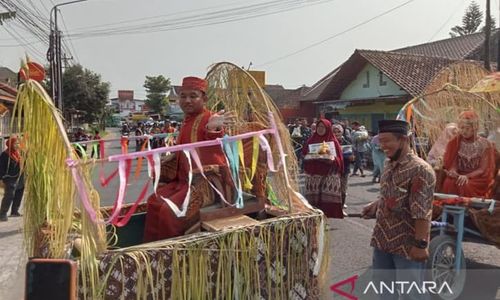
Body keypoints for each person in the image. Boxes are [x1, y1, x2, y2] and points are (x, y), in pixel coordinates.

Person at [143, 76, 235, 242]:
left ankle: (173, 254)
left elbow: (214, 138)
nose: (187, 100)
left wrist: (213, 129)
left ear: (204, 98)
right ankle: (152, 249)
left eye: (193, 96)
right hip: (182, 181)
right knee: (153, 201)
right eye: (183, 96)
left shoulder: (210, 118)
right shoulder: (187, 120)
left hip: (205, 181)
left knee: (168, 211)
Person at [362, 120, 436, 300]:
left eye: (387, 141)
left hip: (407, 245)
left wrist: (420, 246)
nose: (382, 146)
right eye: (380, 141)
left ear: (403, 139)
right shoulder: (388, 164)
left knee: (412, 294)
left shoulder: (420, 169)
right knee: (384, 292)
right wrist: (376, 204)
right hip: (382, 240)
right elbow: (389, 193)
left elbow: (422, 212)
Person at [441, 111, 496, 198]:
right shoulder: (455, 142)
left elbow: (482, 169)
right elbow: (454, 163)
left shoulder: (485, 144)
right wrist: (453, 171)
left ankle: (467, 209)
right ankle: (450, 207)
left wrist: (467, 176)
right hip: (459, 175)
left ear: (475, 128)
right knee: (449, 182)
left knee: (464, 185)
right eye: (461, 128)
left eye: (467, 128)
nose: (463, 131)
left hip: (477, 178)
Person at [302, 119, 344, 218]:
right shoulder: (311, 140)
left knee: (327, 201)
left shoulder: (333, 142)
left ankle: (327, 217)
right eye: (319, 127)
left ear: (328, 128)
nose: (320, 129)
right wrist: (310, 156)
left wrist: (331, 157)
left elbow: (339, 160)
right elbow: (303, 154)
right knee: (314, 203)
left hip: (329, 175)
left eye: (323, 127)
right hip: (313, 175)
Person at [0, 136, 25, 221]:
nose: (17, 145)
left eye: (18, 143)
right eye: (15, 143)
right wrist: (2, 177)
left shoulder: (19, 153)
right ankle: (3, 214)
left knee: (19, 193)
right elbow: (1, 167)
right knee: (9, 195)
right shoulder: (5, 154)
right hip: (9, 178)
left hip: (20, 177)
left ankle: (15, 211)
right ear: (10, 144)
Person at [333, 123, 352, 216]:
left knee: (343, 190)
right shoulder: (329, 142)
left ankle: (340, 209)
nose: (337, 133)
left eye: (339, 131)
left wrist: (352, 158)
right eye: (334, 131)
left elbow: (351, 154)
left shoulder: (346, 141)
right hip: (333, 170)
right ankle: (333, 208)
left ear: (342, 132)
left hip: (345, 169)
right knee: (333, 190)